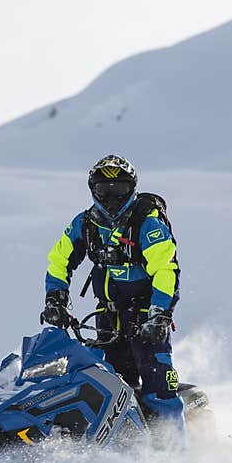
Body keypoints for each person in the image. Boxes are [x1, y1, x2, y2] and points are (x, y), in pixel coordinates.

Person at [40, 154, 185, 445]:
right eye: (103, 191)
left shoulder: (147, 222)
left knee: (159, 385)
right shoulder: (86, 224)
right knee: (106, 384)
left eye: (119, 190)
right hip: (107, 315)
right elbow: (59, 260)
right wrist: (56, 299)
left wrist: (158, 314)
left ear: (132, 189)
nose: (111, 198)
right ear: (92, 190)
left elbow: (166, 269)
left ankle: (177, 459)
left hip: (147, 317)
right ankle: (105, 448)